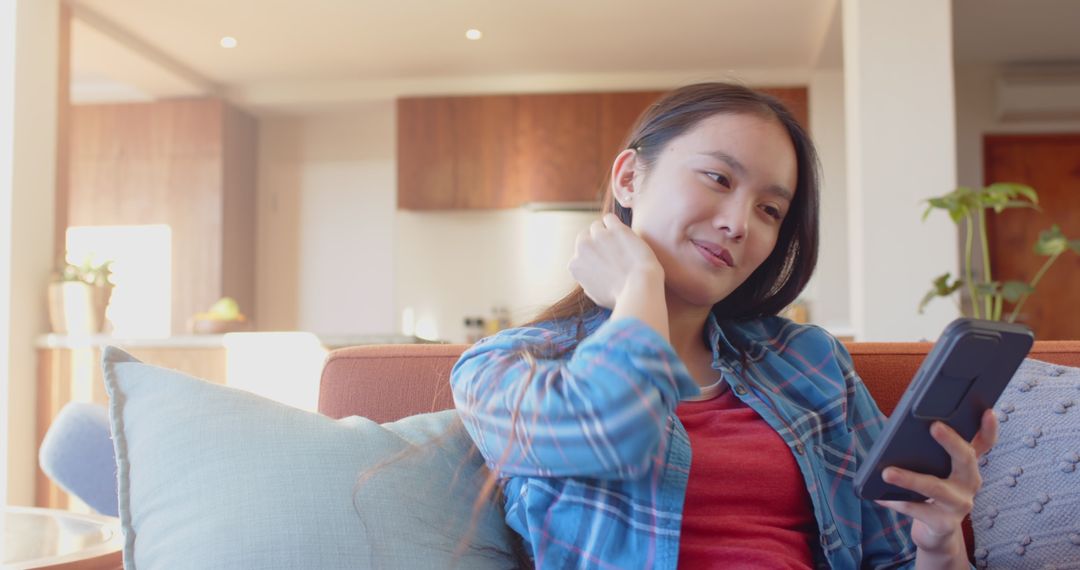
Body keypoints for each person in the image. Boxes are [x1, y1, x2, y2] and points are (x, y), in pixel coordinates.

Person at [450, 82, 996, 569]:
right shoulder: (504, 366)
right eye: (717, 178)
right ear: (629, 178)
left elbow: (895, 557)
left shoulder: (811, 361)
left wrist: (939, 544)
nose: (738, 223)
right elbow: (614, 433)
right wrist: (640, 289)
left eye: (769, 211)